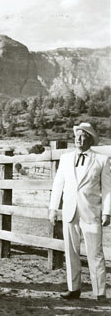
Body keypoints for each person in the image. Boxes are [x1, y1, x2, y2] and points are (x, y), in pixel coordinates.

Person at [49, 123, 110, 301]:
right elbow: (58, 185)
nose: (78, 138)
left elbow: (108, 189)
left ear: (90, 139)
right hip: (70, 211)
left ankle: (100, 292)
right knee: (71, 251)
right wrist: (53, 209)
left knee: (95, 253)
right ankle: (73, 288)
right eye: (76, 135)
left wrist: (107, 212)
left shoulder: (102, 160)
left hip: (91, 212)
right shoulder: (66, 159)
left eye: (83, 136)